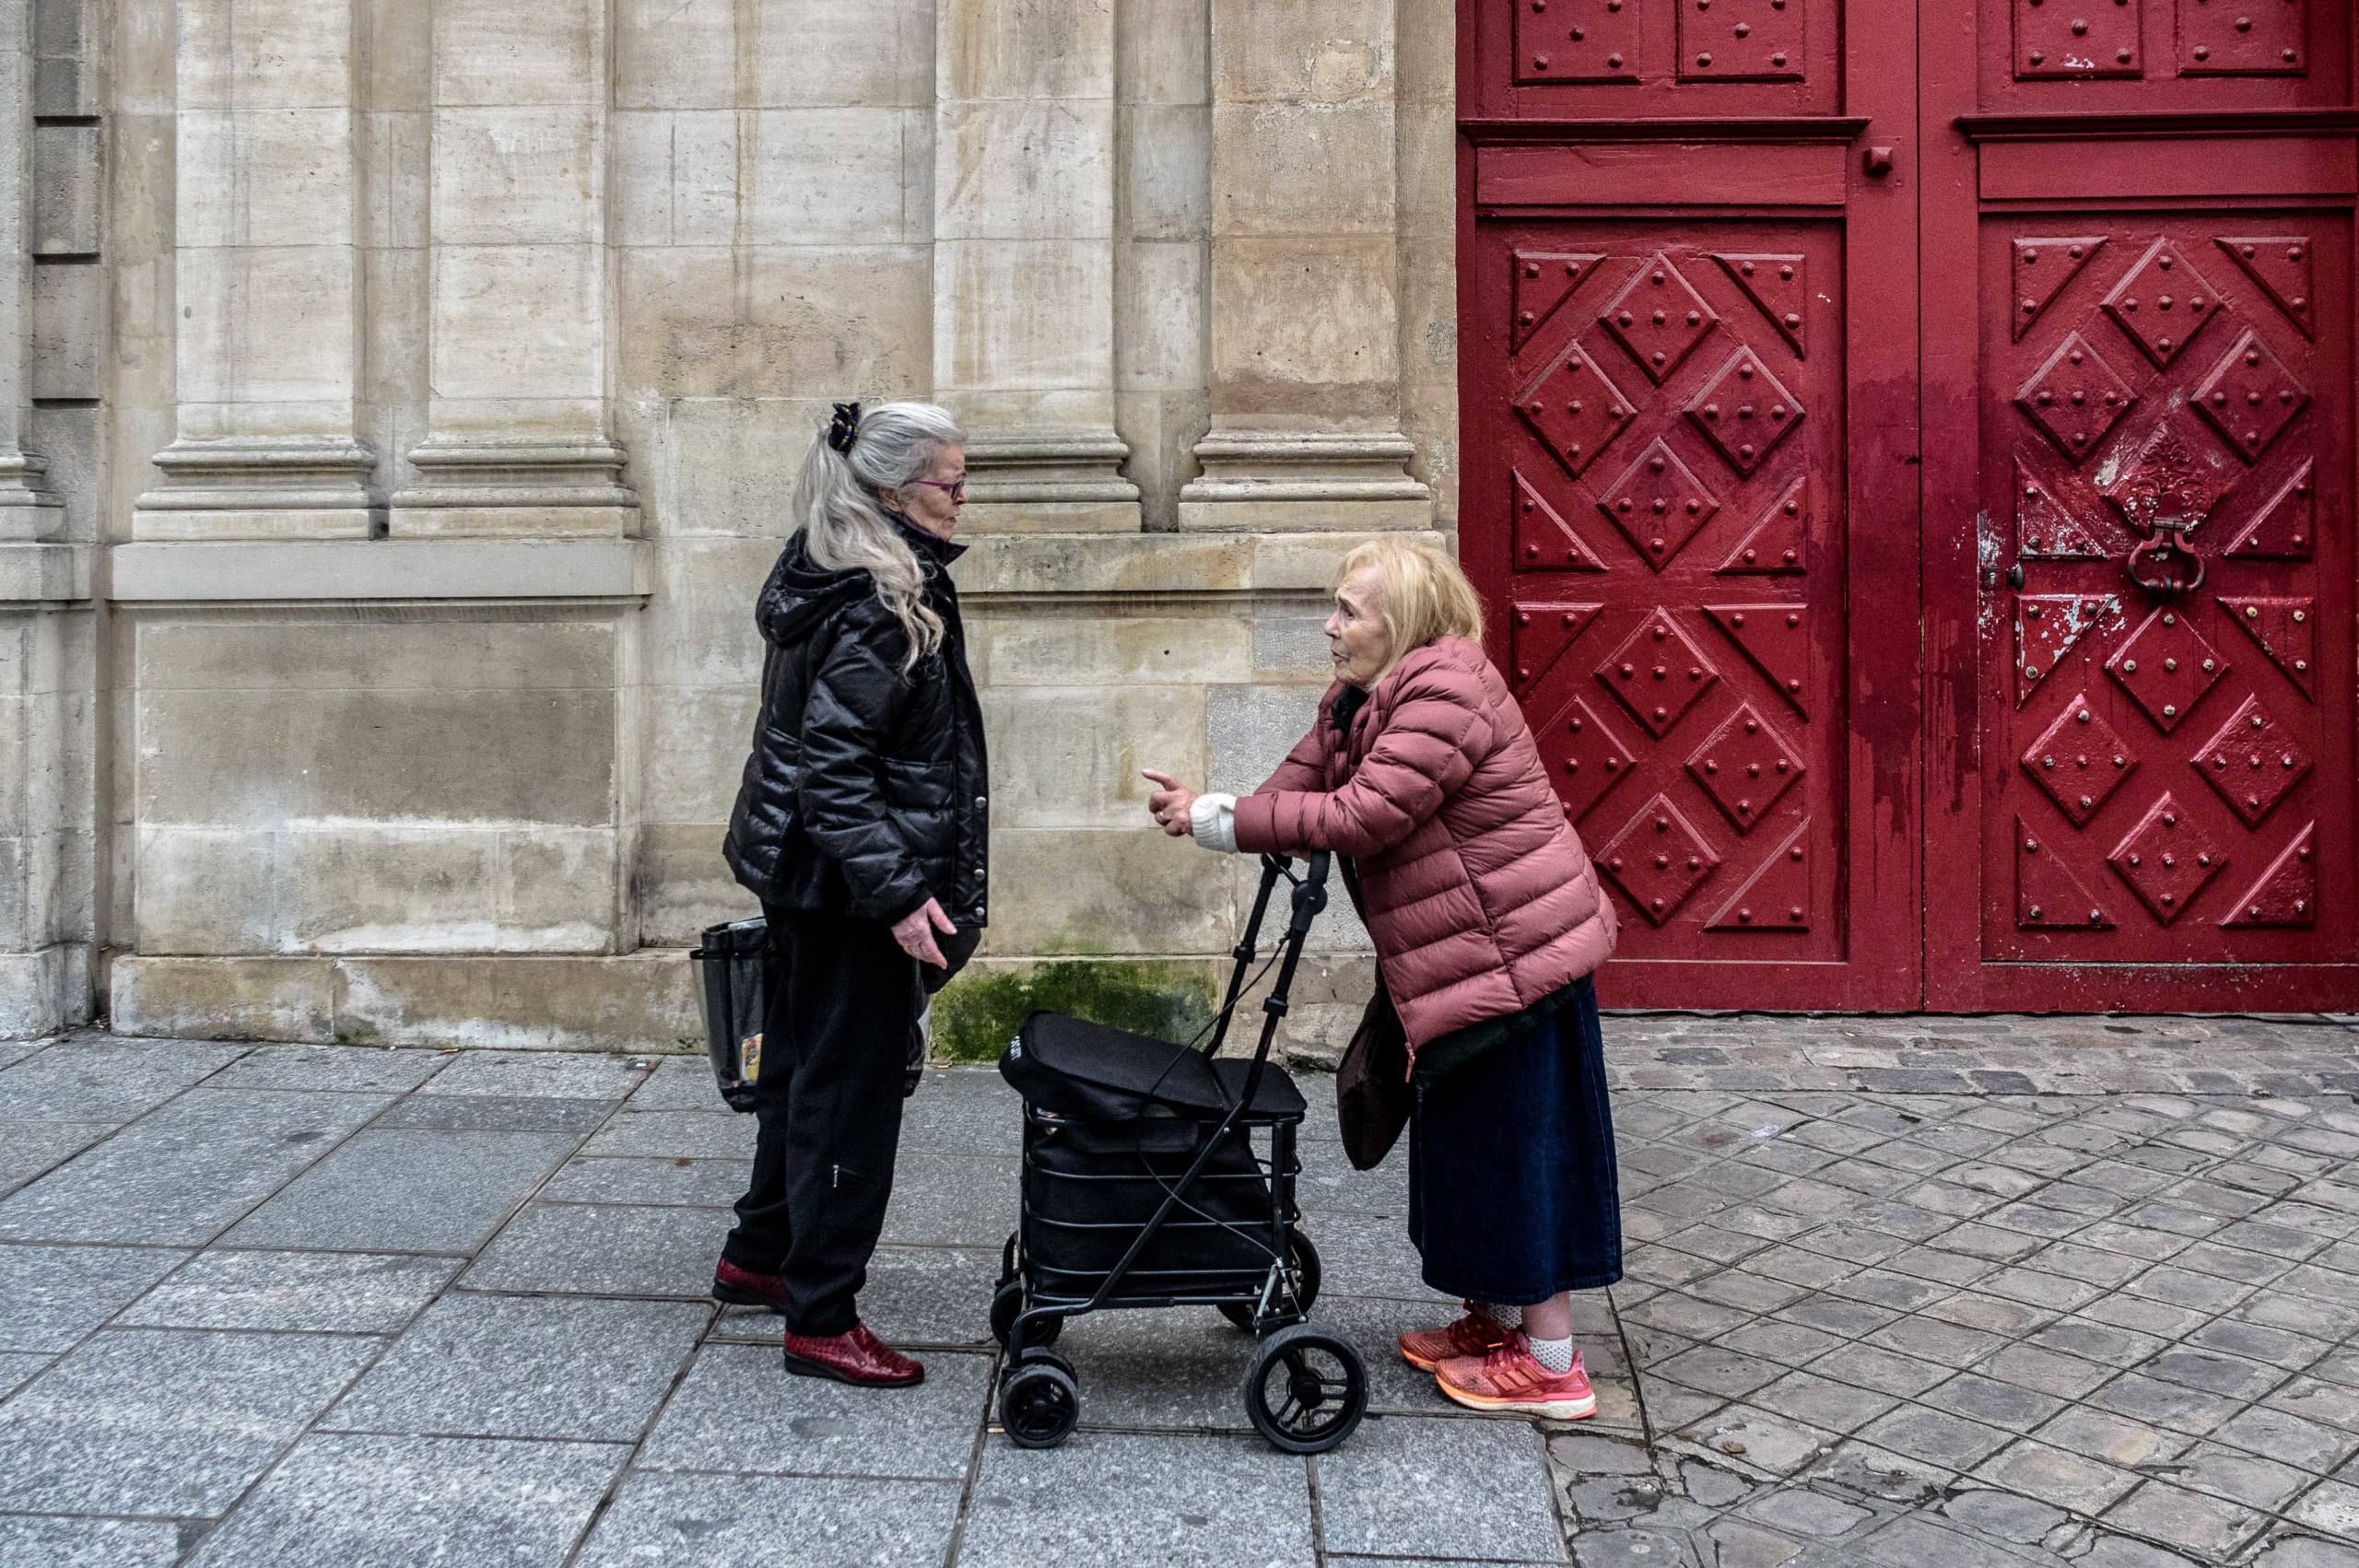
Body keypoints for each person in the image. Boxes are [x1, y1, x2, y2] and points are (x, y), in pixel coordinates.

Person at [1143, 537, 1621, 1420]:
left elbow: (1365, 815)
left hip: (1516, 965)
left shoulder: (1447, 688)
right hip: (1462, 963)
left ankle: (1553, 1364)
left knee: (1522, 1156)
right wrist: (1210, 809)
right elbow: (1300, 784)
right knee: (1466, 1149)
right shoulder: (1364, 697)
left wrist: (1226, 821)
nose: (1330, 626)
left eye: (1348, 611)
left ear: (1400, 623)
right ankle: (1490, 1326)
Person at [718, 400, 988, 1388]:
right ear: (890, 489)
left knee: (797, 1068)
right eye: (948, 483)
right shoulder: (877, 600)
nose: (962, 499)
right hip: (848, 889)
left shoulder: (828, 567)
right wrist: (903, 897)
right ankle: (822, 1316)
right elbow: (835, 773)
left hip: (809, 875)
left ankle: (759, 1255)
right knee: (850, 1101)